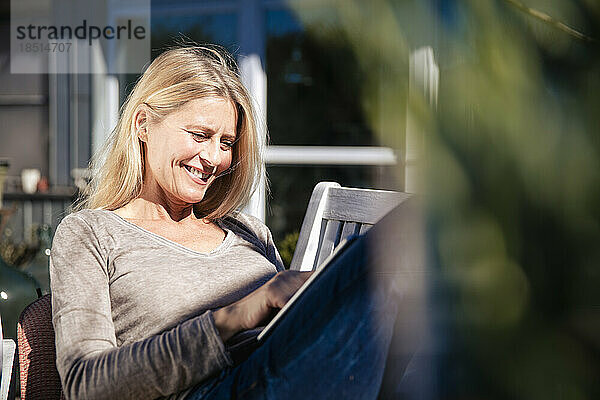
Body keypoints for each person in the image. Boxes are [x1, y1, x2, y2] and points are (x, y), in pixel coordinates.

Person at [50, 46, 406, 400]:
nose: (214, 158)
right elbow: (86, 384)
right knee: (377, 254)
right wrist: (241, 312)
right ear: (144, 124)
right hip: (212, 391)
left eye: (226, 143)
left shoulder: (249, 232)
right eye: (200, 135)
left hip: (292, 375)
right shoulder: (90, 233)